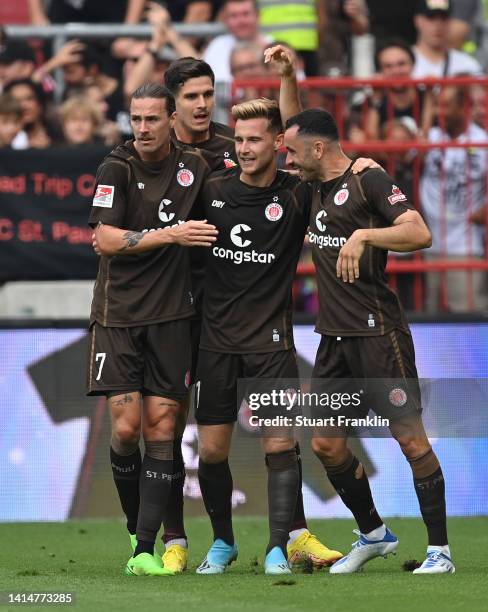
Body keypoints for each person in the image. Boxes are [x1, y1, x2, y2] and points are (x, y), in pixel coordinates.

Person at [283, 107, 455, 574]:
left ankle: (440, 551)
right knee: (325, 444)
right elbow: (296, 124)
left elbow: (419, 231)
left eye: (294, 153)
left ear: (318, 149)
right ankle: (375, 534)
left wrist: (365, 235)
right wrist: (284, 76)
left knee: (412, 442)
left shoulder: (369, 180)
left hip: (378, 335)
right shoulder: (314, 182)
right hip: (334, 340)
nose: (288, 162)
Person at [194, 98, 345, 575]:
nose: (243, 148)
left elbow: (311, 136)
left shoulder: (295, 194)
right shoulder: (211, 188)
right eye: (238, 139)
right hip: (215, 342)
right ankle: (223, 543)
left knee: (280, 445)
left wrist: (285, 80)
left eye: (254, 139)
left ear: (278, 144)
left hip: (272, 343)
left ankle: (279, 547)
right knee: (213, 451)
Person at [87, 82, 220, 577]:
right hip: (118, 316)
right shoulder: (115, 167)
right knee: (125, 429)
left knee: (163, 429)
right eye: (135, 119)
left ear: (171, 120)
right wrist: (172, 234)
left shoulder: (195, 167)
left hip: (173, 318)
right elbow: (104, 238)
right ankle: (133, 524)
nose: (142, 128)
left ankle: (146, 548)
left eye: (151, 119)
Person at [421, 83, 488, 312]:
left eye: (446, 106)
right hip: (427, 244)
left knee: (468, 314)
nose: (441, 112)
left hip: (465, 246)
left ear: (463, 107)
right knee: (429, 316)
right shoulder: (430, 136)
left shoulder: (482, 142)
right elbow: (405, 157)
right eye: (438, 106)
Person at [203, 0, 272, 84]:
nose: (241, 21)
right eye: (234, 16)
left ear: (258, 15)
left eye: (245, 14)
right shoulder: (216, 47)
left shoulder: (273, 47)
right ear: (225, 19)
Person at [412, 0, 482, 77]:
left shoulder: (468, 65)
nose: (438, 25)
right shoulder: (401, 62)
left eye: (444, 18)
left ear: (450, 22)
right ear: (417, 20)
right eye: (431, 18)